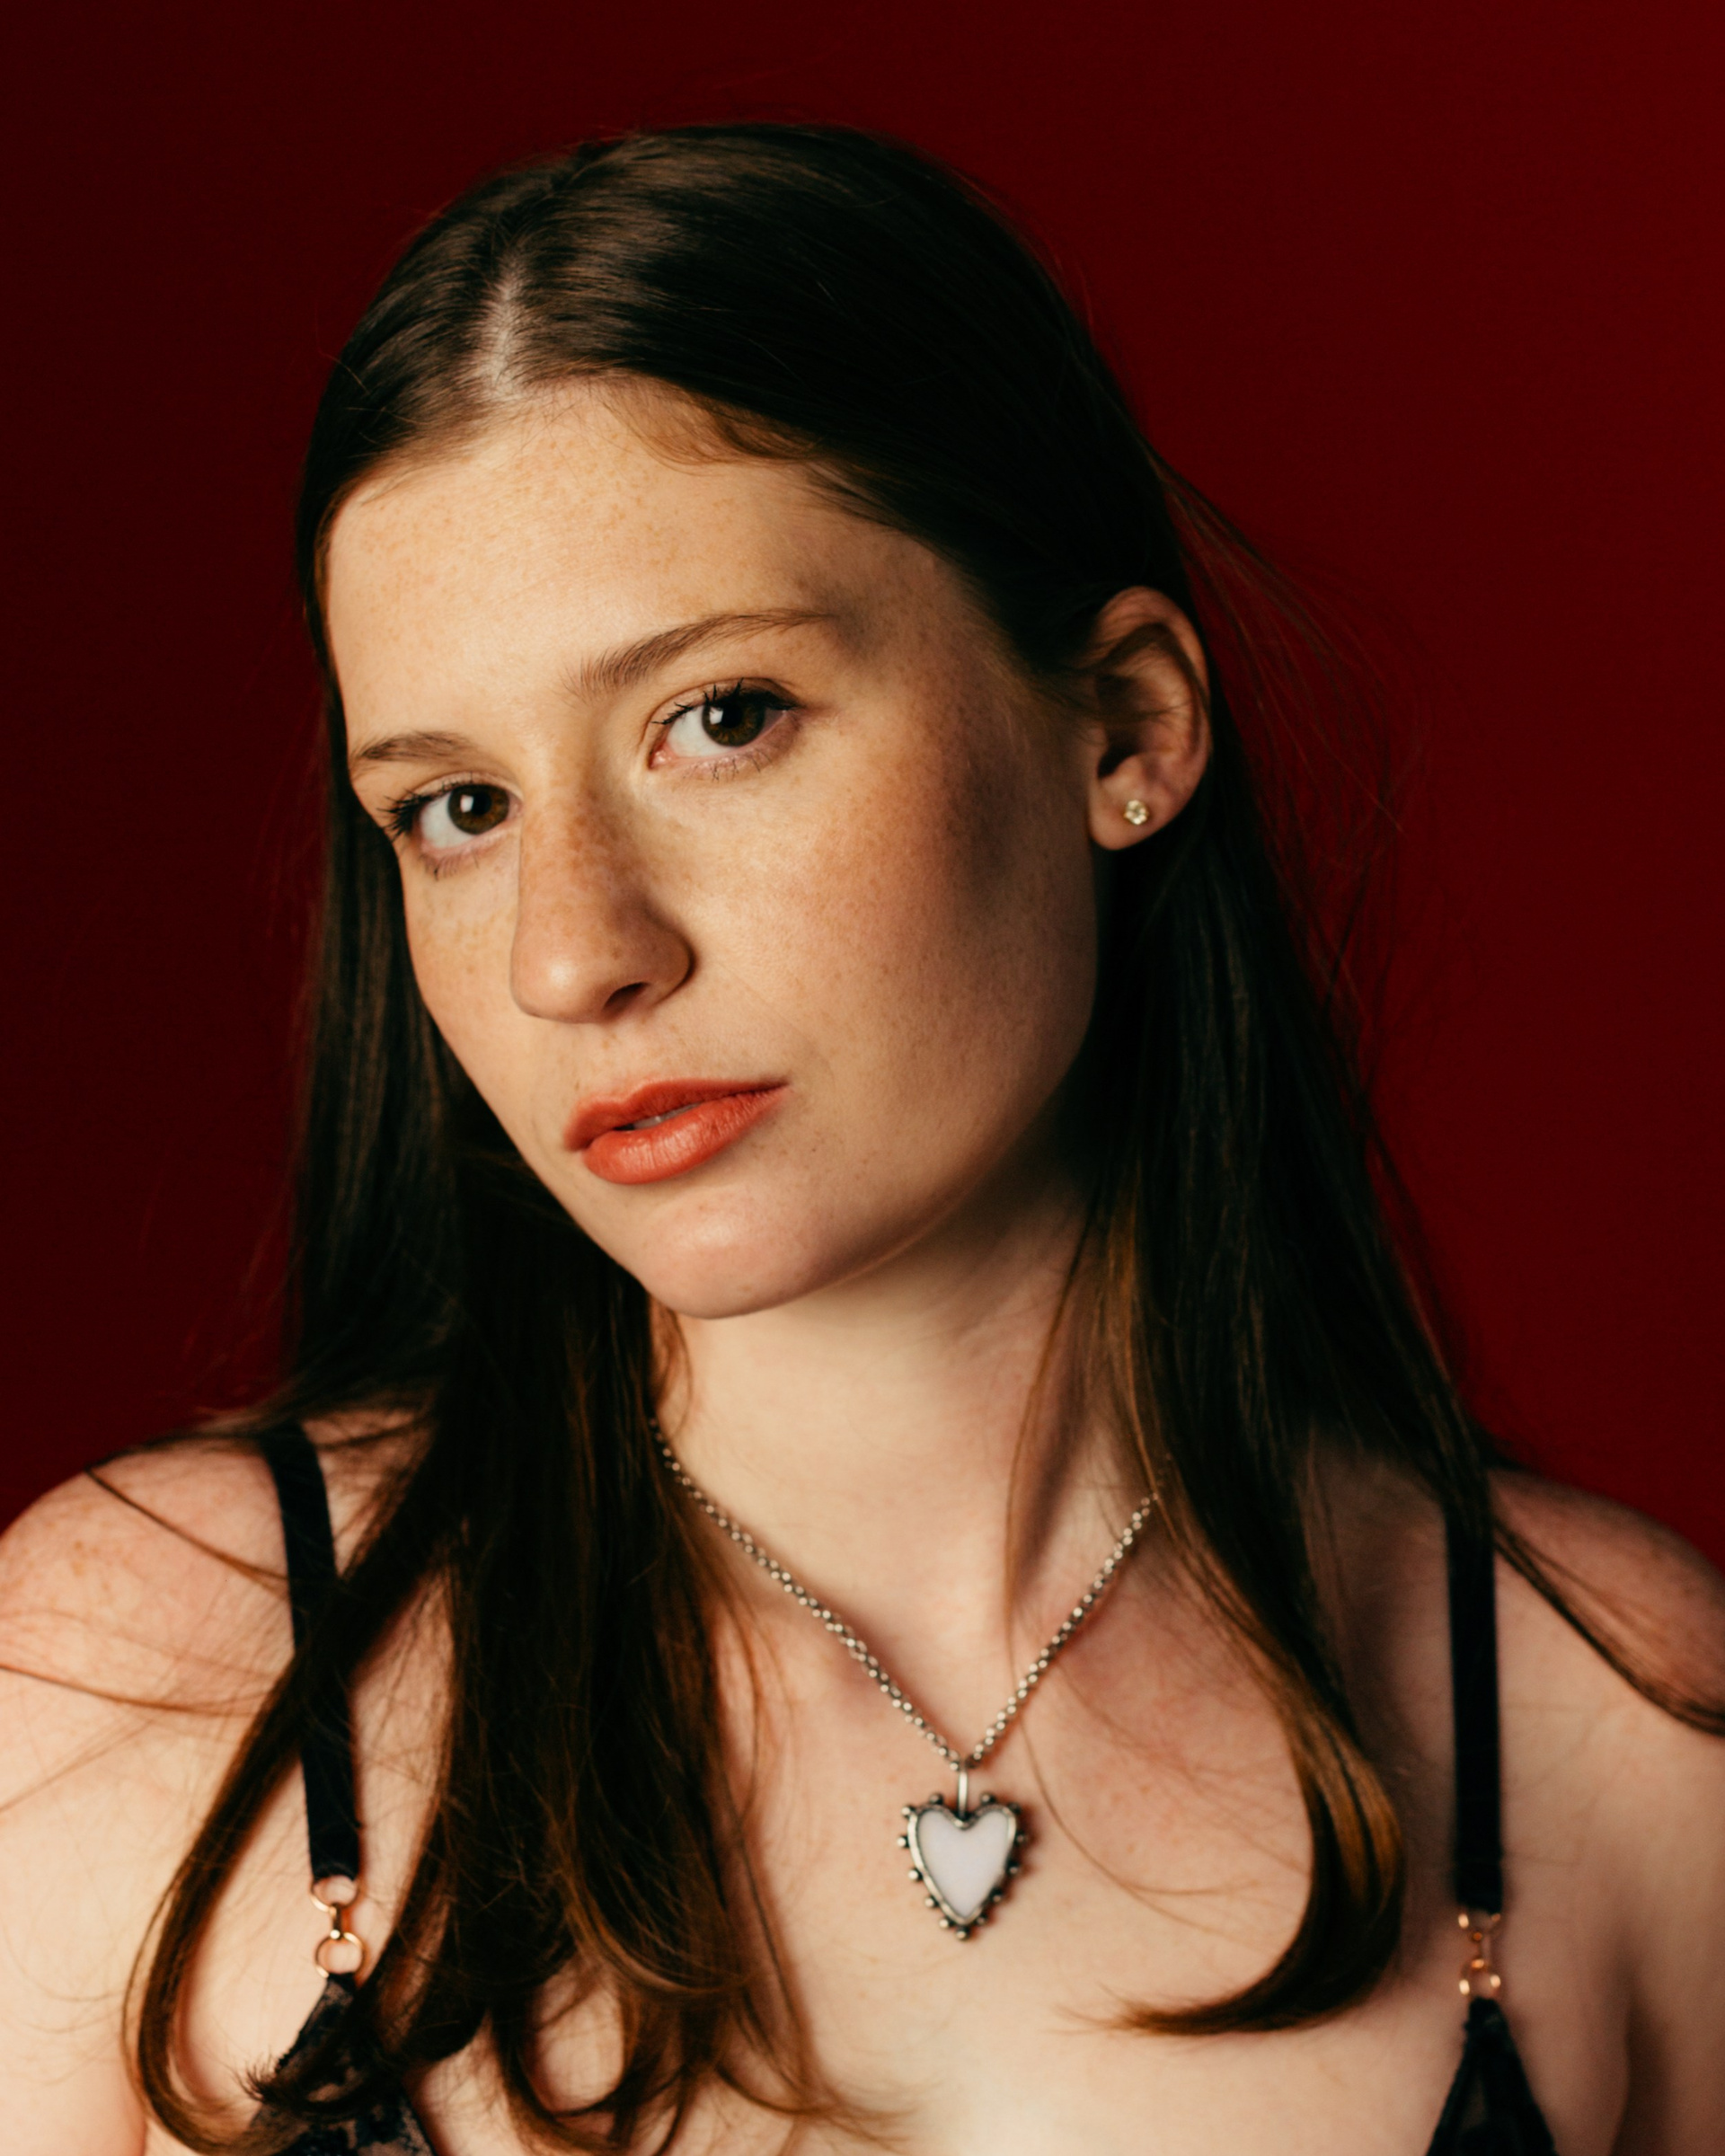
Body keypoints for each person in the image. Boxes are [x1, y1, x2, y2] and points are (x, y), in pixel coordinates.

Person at [2, 124, 1721, 2156]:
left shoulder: (1617, 1731)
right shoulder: (143, 1679)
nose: (573, 954)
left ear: (1123, 727)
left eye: (721, 718)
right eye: (457, 809)